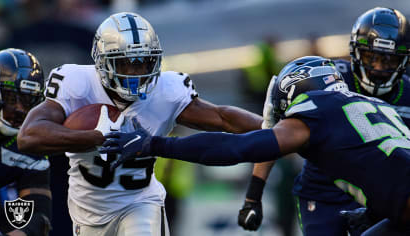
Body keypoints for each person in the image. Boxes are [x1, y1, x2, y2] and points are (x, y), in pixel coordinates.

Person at [101, 56, 410, 235]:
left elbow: (237, 149)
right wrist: (376, 211)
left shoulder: (316, 111)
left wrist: (154, 144)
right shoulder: (368, 105)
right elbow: (387, 164)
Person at [17, 12, 262, 236]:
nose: (135, 73)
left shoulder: (166, 90)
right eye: (125, 63)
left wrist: (273, 126)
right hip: (87, 210)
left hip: (141, 202)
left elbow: (222, 117)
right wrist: (95, 137)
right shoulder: (77, 83)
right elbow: (28, 137)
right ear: (102, 61)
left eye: (143, 62)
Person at [238, 7, 410, 236]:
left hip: (381, 196)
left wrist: (376, 211)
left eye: (388, 60)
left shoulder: (408, 92)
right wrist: (253, 194)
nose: (378, 68)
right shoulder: (327, 78)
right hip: (323, 192)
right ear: (355, 52)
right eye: (372, 57)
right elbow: (275, 133)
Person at [0, 48, 51, 236]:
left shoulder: (31, 148)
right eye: (10, 97)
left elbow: (39, 220)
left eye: (27, 100)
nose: (20, 109)